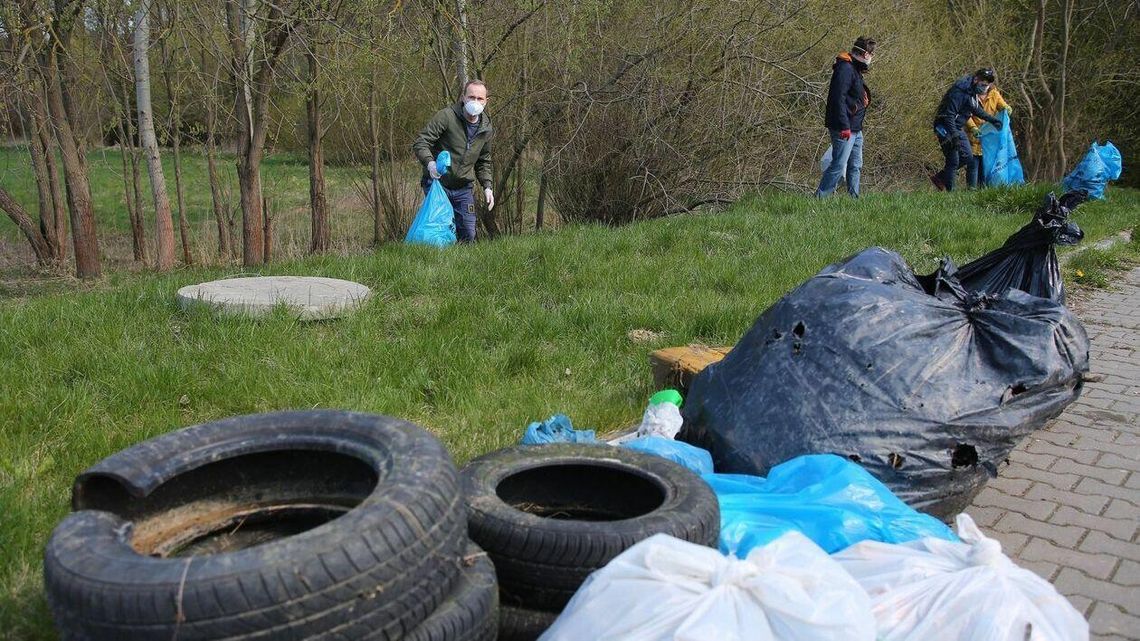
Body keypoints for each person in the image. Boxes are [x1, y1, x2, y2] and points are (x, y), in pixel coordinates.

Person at [413, 80, 495, 242]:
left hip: (463, 187)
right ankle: (435, 264)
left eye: (480, 98)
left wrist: (487, 186)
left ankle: (462, 266)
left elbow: (484, 161)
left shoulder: (486, 128)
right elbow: (421, 142)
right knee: (439, 230)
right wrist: (430, 164)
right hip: (438, 183)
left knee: (468, 233)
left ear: (486, 101)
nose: (475, 102)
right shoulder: (446, 116)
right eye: (471, 97)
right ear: (463, 98)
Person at [816, 36, 875, 198]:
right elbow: (838, 99)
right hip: (845, 127)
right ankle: (819, 198)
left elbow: (852, 96)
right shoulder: (845, 69)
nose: (872, 57)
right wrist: (845, 126)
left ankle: (854, 198)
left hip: (856, 128)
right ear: (864, 54)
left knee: (855, 165)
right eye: (871, 53)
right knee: (838, 164)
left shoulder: (854, 69)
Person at [931, 68, 1002, 191]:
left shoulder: (972, 92)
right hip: (946, 127)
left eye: (988, 85)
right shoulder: (959, 92)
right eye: (983, 85)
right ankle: (951, 193)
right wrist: (954, 137)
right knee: (953, 161)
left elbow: (975, 109)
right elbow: (949, 116)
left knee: (968, 157)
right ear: (976, 80)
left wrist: (992, 120)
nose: (985, 88)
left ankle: (940, 177)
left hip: (957, 126)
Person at [966, 78, 1011, 188]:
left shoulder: (994, 94)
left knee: (985, 168)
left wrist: (1007, 109)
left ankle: (982, 192)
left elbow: (1002, 106)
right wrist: (973, 127)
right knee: (973, 166)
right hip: (973, 137)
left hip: (989, 140)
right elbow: (965, 115)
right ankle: (970, 191)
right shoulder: (971, 95)